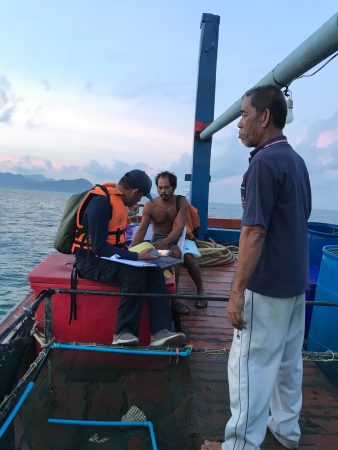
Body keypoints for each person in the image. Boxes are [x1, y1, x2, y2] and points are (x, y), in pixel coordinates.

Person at [201, 85, 311, 450]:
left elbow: (253, 233)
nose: (239, 124)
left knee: (249, 367)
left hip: (265, 288)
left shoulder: (263, 163)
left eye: (244, 115)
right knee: (287, 365)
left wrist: (235, 294)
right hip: (294, 285)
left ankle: (239, 446)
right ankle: (285, 433)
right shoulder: (295, 160)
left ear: (264, 117)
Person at [72, 169, 186, 347]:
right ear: (135, 192)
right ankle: (123, 333)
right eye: (140, 197)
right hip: (90, 262)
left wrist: (140, 256)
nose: (139, 201)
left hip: (112, 259)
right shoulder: (100, 203)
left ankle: (161, 331)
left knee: (154, 270)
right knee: (133, 274)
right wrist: (136, 256)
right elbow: (99, 248)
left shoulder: (117, 201)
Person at [130, 171, 206, 314]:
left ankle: (200, 291)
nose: (162, 191)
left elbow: (178, 228)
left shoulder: (181, 202)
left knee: (188, 258)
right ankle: (173, 296)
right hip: (159, 239)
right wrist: (130, 249)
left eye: (166, 187)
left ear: (174, 187)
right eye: (160, 187)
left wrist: (165, 243)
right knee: (173, 254)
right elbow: (142, 230)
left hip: (182, 239)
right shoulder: (150, 206)